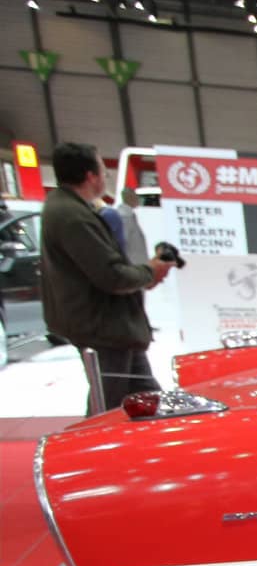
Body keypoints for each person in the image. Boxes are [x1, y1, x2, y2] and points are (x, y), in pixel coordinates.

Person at [39, 142, 173, 413]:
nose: (104, 177)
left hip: (113, 328)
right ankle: (88, 455)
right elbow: (111, 275)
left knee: (146, 397)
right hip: (103, 328)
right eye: (103, 170)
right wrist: (150, 271)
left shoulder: (69, 210)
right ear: (91, 176)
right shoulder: (73, 216)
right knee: (109, 407)